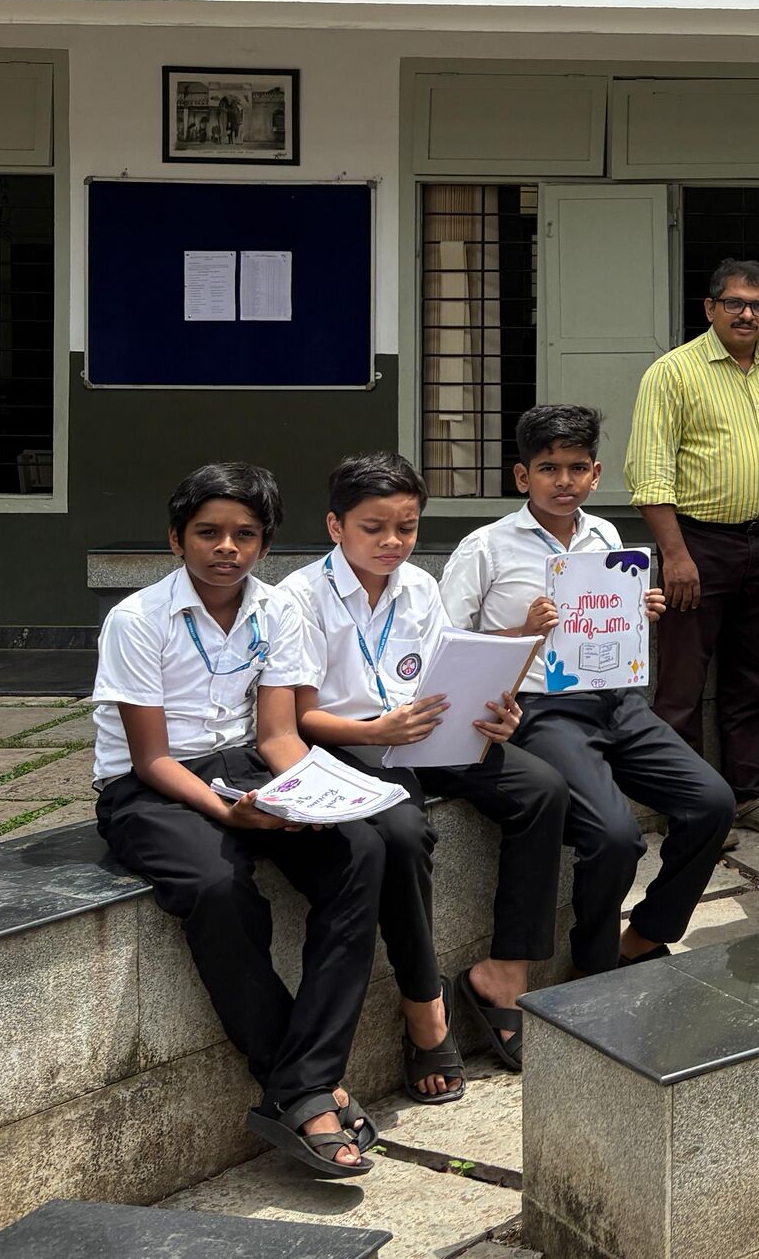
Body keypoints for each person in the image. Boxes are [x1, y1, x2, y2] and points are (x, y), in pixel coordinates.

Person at [92, 463, 382, 1182]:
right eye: (208, 533)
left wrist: (314, 794)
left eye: (245, 535)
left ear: (264, 544)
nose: (227, 547)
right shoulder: (137, 619)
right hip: (149, 787)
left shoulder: (277, 610)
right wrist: (228, 813)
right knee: (217, 886)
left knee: (361, 851)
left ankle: (302, 1080)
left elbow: (279, 734)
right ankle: (303, 1087)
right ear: (176, 539)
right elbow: (152, 757)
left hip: (247, 766)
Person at [264, 453, 568, 1099]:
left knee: (541, 788)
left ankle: (505, 970)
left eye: (406, 527)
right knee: (404, 833)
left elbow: (443, 674)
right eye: (373, 528)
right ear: (335, 526)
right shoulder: (299, 598)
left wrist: (495, 711)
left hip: (423, 728)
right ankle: (423, 1004)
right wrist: (377, 732)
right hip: (348, 741)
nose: (392, 542)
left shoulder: (420, 588)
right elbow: (300, 718)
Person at [440, 404, 736, 979]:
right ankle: (594, 965)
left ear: (596, 475)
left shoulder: (605, 536)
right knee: (615, 836)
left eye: (577, 468)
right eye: (548, 469)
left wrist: (638, 612)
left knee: (712, 802)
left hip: (615, 700)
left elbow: (605, 618)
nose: (564, 482)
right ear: (522, 476)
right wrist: (521, 632)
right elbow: (446, 644)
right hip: (540, 709)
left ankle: (645, 935)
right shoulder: (486, 547)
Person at [625, 257, 759, 830]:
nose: (746, 314)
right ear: (710, 307)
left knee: (757, 675)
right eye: (734, 303)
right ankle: (688, 808)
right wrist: (675, 555)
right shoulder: (672, 373)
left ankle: (749, 793)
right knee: (681, 682)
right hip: (697, 543)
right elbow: (650, 472)